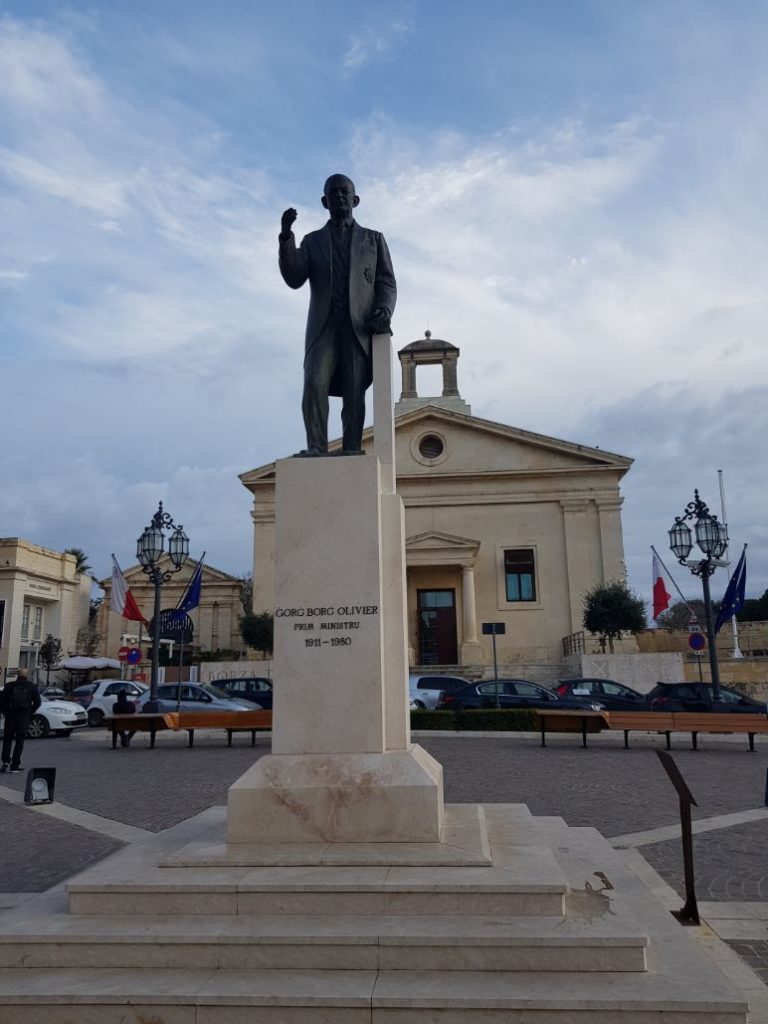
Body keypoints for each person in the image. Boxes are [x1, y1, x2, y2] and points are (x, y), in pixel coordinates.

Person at [279, 174, 397, 455]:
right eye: (333, 193)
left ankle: (352, 449)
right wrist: (286, 236)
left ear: (355, 200)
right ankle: (316, 448)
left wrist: (384, 308)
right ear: (324, 201)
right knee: (313, 384)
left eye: (345, 192)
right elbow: (294, 277)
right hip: (324, 326)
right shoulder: (312, 241)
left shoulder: (373, 239)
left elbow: (386, 282)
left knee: (354, 391)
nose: (340, 197)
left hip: (358, 326)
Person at [0, 668, 41, 773]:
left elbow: (1, 702)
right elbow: (37, 703)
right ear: (26, 676)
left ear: (17, 675)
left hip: (10, 718)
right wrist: (29, 712)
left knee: (7, 740)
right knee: (19, 742)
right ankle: (15, 765)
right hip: (23, 718)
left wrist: (6, 713)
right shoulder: (31, 687)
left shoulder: (9, 686)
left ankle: (5, 761)